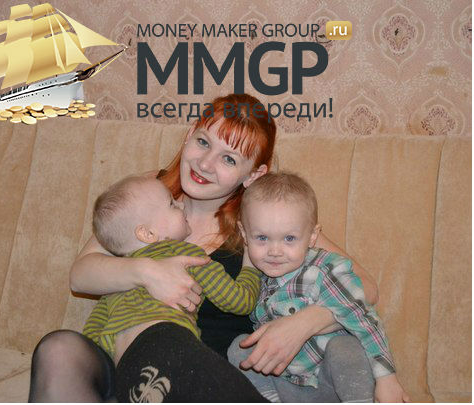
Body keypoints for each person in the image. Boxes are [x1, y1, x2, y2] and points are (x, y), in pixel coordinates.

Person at [28, 93, 380, 402]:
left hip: (203, 374)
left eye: (229, 159)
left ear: (253, 175)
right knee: (58, 349)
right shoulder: (151, 192)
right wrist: (149, 272)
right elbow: (81, 275)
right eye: (203, 142)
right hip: (125, 356)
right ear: (188, 135)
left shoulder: (262, 222)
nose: (205, 164)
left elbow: (366, 285)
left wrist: (305, 323)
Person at [228, 172, 409, 403]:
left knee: (344, 347)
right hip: (286, 385)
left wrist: (387, 378)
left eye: (289, 239)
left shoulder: (324, 270)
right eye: (262, 238)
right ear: (244, 234)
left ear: (313, 236)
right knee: (240, 347)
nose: (274, 251)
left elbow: (364, 320)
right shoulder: (258, 279)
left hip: (331, 382)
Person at [83, 175, 265, 401]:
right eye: (171, 203)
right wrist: (250, 268)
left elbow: (91, 337)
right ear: (148, 234)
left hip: (124, 370)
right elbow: (238, 301)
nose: (181, 204)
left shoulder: (117, 279)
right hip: (168, 343)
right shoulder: (185, 254)